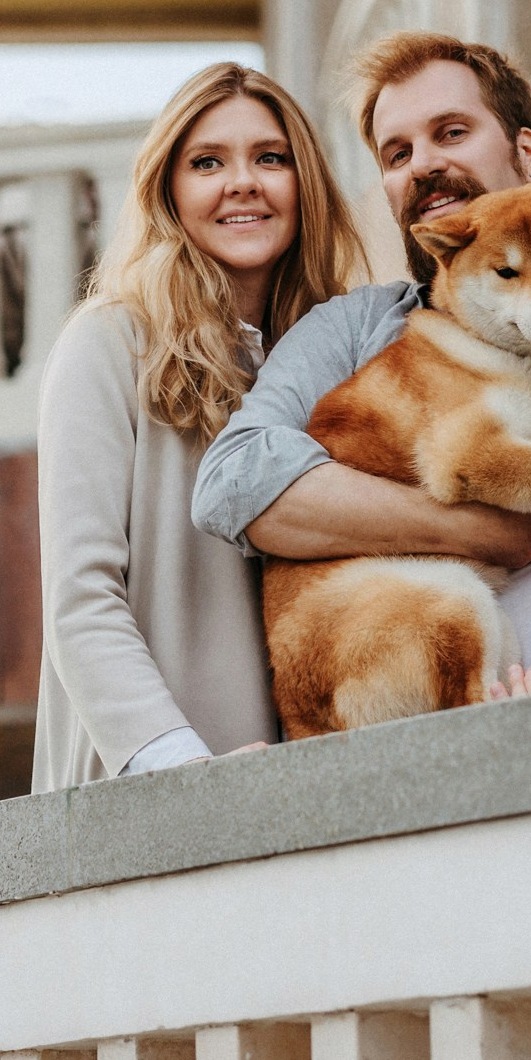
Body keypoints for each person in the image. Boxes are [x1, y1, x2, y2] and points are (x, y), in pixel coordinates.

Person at [192, 32, 531, 695]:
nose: (424, 164)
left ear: (528, 151)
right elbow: (231, 484)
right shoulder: (346, 334)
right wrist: (477, 531)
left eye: (451, 132)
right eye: (397, 153)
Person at [31, 63, 367, 791]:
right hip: (149, 791)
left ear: (305, 183)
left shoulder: (336, 358)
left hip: (311, 790)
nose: (242, 181)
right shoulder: (110, 343)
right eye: (207, 161)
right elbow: (82, 598)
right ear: (169, 190)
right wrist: (187, 770)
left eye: (269, 158)